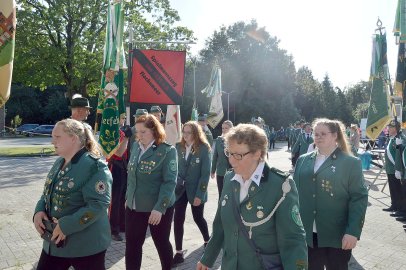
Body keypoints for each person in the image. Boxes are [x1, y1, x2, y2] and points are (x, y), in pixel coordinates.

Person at [197, 124, 308, 270]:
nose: (231, 161)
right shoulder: (230, 179)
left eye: (238, 155)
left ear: (257, 153)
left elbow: (293, 241)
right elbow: (220, 225)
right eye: (229, 153)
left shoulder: (281, 186)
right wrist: (207, 258)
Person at [33, 119, 112, 270]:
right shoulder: (59, 162)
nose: (52, 141)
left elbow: (99, 204)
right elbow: (46, 193)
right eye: (52, 137)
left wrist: (66, 225)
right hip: (55, 242)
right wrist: (39, 210)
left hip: (86, 246)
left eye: (57, 137)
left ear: (73, 138)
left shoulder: (94, 166)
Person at [293, 118, 368, 270]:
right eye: (316, 133)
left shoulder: (350, 163)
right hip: (308, 234)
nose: (318, 137)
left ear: (335, 136)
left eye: (323, 134)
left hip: (337, 234)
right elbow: (294, 196)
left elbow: (358, 198)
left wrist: (353, 232)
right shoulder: (302, 160)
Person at [125, 114, 177, 270]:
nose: (139, 136)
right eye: (137, 132)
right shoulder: (135, 146)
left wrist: (159, 208)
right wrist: (128, 196)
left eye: (143, 132)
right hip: (134, 207)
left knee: (161, 242)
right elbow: (132, 175)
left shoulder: (167, 151)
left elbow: (169, 182)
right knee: (132, 246)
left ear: (154, 131)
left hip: (158, 208)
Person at [173, 121, 212, 266]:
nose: (186, 135)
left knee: (198, 217)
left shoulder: (204, 148)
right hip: (180, 190)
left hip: (196, 191)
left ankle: (208, 240)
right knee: (178, 219)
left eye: (189, 132)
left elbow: (205, 174)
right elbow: (174, 167)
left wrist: (199, 195)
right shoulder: (178, 147)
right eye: (184, 131)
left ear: (196, 133)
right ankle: (178, 252)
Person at [107, 114, 131, 241]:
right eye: (121, 118)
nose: (123, 120)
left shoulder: (123, 130)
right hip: (114, 166)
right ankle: (112, 228)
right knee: (114, 200)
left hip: (123, 167)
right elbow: (118, 152)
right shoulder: (110, 131)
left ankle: (121, 225)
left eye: (123, 118)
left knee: (122, 198)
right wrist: (126, 138)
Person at [383, 120, 405, 217]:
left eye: (390, 127)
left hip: (397, 169)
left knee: (398, 190)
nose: (388, 129)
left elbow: (400, 153)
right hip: (390, 169)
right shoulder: (392, 138)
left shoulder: (401, 138)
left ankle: (400, 208)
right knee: (393, 189)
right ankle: (394, 205)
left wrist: (398, 169)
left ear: (395, 128)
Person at [211, 120, 233, 198]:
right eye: (223, 128)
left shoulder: (235, 141)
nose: (223, 130)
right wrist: (213, 170)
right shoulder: (218, 140)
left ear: (231, 129)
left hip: (232, 172)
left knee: (231, 195)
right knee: (221, 194)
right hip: (220, 172)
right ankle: (221, 210)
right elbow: (215, 156)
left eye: (226, 128)